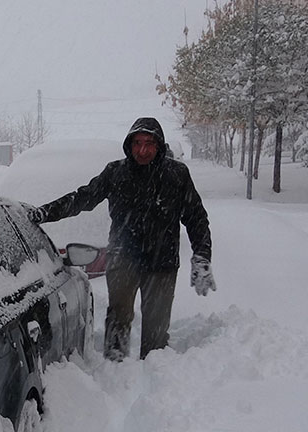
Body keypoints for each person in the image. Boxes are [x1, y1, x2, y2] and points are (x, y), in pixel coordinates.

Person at [29, 117, 215, 361]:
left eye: (149, 143)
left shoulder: (176, 175)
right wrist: (45, 213)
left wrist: (202, 257)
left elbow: (196, 218)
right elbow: (82, 198)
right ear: (129, 145)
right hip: (123, 260)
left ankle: (155, 371)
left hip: (163, 263)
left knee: (157, 328)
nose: (143, 150)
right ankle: (115, 365)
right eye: (137, 143)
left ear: (159, 145)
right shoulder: (116, 173)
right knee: (118, 316)